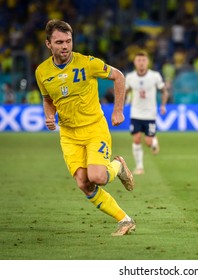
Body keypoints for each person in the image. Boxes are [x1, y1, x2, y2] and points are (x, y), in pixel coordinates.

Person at [35, 19, 136, 236]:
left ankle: (118, 166)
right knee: (84, 183)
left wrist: (118, 110)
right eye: (59, 42)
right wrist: (49, 116)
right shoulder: (42, 72)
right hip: (69, 135)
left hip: (94, 129)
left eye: (68, 41)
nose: (65, 46)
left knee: (98, 177)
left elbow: (118, 76)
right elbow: (47, 99)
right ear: (48, 44)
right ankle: (125, 220)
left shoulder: (87, 63)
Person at [125, 51, 169, 175]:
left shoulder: (155, 76)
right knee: (137, 138)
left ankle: (154, 141)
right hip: (136, 113)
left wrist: (163, 105)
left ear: (148, 62)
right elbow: (125, 91)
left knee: (148, 142)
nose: (141, 63)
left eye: (143, 60)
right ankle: (139, 167)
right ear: (135, 63)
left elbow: (164, 91)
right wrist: (122, 103)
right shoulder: (130, 77)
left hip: (150, 114)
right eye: (139, 60)